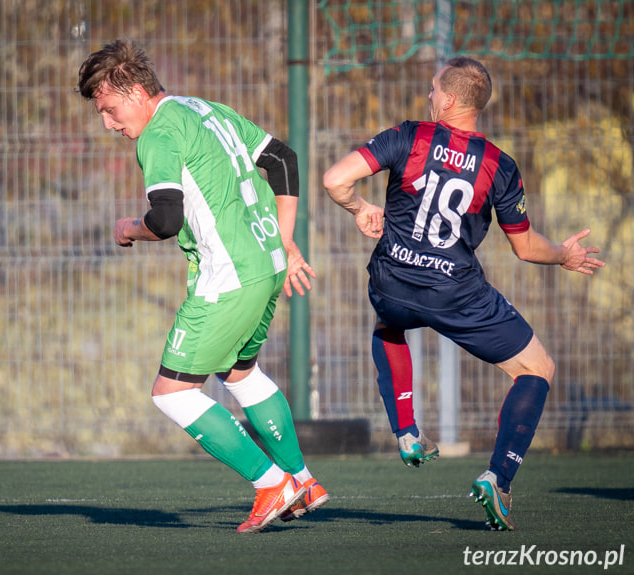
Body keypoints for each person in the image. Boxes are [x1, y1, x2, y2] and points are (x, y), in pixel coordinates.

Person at [323, 56, 604, 530]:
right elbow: (525, 247)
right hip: (457, 293)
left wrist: (359, 207)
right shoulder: (500, 165)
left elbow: (335, 179)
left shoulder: (409, 135)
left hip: (393, 279)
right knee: (538, 369)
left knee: (390, 321)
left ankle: (408, 432)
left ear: (449, 99)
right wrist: (564, 255)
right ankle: (499, 478)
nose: (429, 95)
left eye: (433, 89)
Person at [77, 39, 328, 534]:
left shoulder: (157, 133)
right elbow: (282, 159)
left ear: (133, 90)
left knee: (172, 393)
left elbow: (166, 219)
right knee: (239, 374)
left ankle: (271, 483)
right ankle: (303, 480)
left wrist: (129, 228)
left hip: (229, 278)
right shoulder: (205, 108)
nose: (107, 123)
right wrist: (285, 238)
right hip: (267, 263)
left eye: (107, 109)